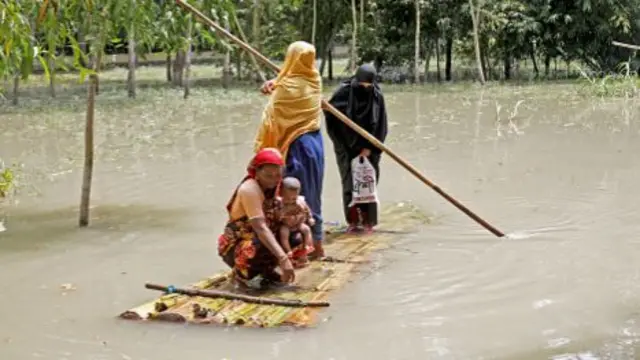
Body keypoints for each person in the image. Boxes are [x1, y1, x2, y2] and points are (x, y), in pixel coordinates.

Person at [255, 41, 325, 259]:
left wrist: (274, 89)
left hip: (297, 147)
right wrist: (275, 83)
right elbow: (289, 82)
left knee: (292, 196)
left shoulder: (286, 88)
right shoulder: (314, 79)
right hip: (315, 143)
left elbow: (272, 115)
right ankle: (316, 243)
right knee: (312, 193)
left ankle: (295, 249)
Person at [323, 63, 389, 233]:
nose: (365, 88)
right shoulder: (344, 92)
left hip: (370, 147)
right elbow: (330, 116)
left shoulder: (376, 95)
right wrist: (325, 107)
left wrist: (370, 147)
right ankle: (353, 221)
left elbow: (381, 125)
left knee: (368, 184)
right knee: (349, 184)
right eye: (363, 85)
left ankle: (368, 222)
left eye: (369, 85)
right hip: (347, 147)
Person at [217, 148, 295, 289]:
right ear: (257, 173)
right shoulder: (250, 189)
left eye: (277, 175)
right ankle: (240, 276)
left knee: (294, 234)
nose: (273, 180)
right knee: (259, 245)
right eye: (268, 176)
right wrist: (283, 259)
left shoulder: (276, 186)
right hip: (239, 244)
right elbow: (260, 228)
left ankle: (266, 272)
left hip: (259, 237)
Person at [277, 177, 315, 268]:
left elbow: (307, 209)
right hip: (287, 225)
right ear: (281, 194)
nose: (291, 200)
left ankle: (307, 246)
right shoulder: (280, 202)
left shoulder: (300, 201)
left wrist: (310, 217)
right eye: (288, 199)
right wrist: (283, 213)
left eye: (294, 198)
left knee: (306, 229)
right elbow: (277, 215)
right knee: (283, 232)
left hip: (298, 223)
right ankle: (288, 251)